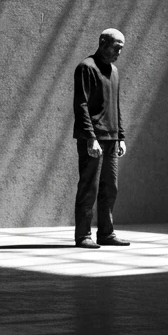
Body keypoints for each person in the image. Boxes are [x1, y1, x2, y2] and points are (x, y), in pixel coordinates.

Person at [72, 28, 132, 248]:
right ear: (103, 42)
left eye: (121, 49)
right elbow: (81, 105)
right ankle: (83, 235)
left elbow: (115, 106)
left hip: (111, 138)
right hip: (94, 138)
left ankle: (106, 233)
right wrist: (90, 137)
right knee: (89, 187)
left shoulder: (114, 71)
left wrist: (121, 136)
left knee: (110, 188)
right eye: (116, 48)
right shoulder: (86, 68)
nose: (118, 53)